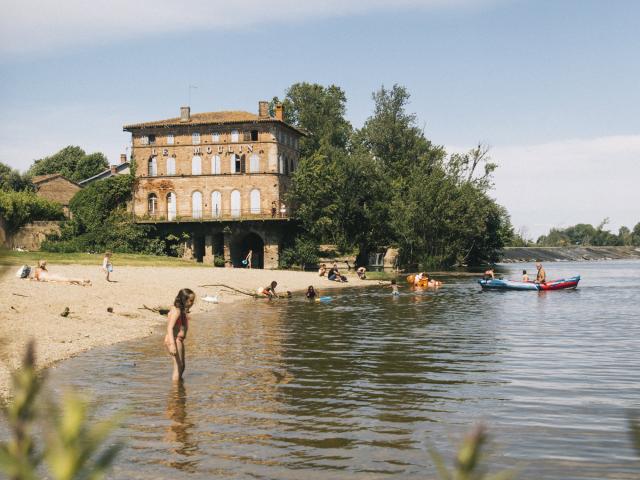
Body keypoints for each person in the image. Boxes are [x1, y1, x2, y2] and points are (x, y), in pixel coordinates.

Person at [164, 288, 195, 382]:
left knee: (182, 366)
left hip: (179, 340)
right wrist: (172, 345)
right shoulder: (176, 311)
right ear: (183, 299)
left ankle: (179, 388)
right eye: (191, 300)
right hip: (174, 340)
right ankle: (175, 393)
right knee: (178, 367)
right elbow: (169, 328)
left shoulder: (181, 311)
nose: (192, 303)